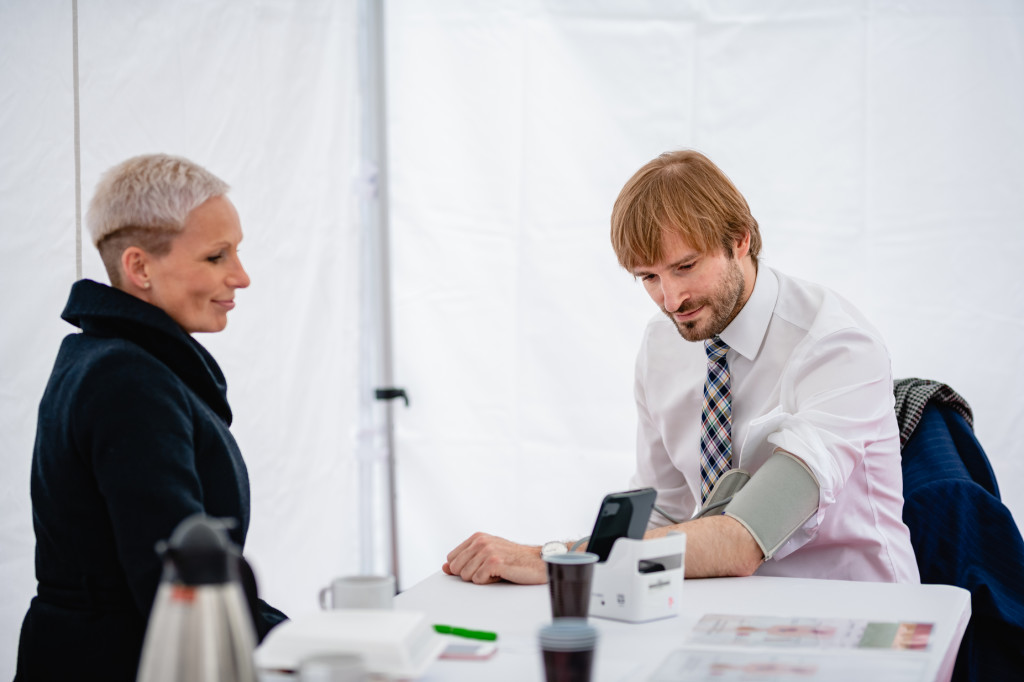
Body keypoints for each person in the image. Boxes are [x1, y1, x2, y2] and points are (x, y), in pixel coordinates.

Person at [443, 150, 919, 585]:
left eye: (685, 267)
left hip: (852, 605)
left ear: (740, 240)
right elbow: (665, 514)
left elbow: (743, 539)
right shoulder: (662, 344)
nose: (671, 301)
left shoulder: (836, 346)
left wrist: (555, 559)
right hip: (729, 610)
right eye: (648, 277)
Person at [15, 154, 286, 681]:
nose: (242, 276)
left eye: (238, 252)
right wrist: (305, 645)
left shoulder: (101, 357)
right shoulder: (127, 379)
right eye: (216, 256)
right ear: (139, 267)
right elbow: (181, 585)